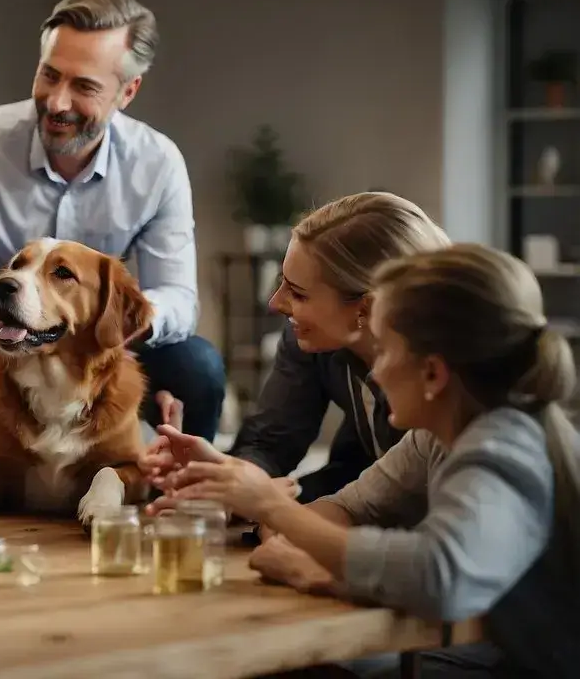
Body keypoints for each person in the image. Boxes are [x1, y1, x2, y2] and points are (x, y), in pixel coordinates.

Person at [162, 244, 580, 678]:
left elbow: (439, 576)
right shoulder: (441, 437)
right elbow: (356, 505)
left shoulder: (503, 448)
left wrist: (275, 510)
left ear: (433, 373)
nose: (375, 373)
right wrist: (240, 485)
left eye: (385, 352)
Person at [0, 0, 226, 460]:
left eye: (84, 86)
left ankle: (187, 489)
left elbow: (180, 300)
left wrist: (109, 327)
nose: (57, 102)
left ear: (128, 91)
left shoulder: (158, 163)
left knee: (199, 366)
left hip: (105, 354)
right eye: (49, 75)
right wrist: (3, 304)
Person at [142, 192, 451, 505]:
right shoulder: (309, 339)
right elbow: (271, 440)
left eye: (299, 294)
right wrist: (222, 479)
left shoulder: (448, 385)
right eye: (282, 282)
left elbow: (420, 515)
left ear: (365, 310)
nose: (275, 303)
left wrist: (271, 505)